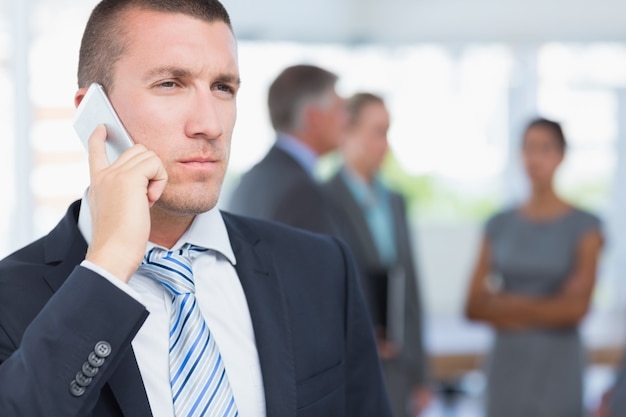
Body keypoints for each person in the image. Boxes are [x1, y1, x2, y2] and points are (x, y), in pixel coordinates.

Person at [0, 1, 393, 416]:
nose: (210, 124)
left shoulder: (321, 269)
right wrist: (109, 266)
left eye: (223, 87)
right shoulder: (10, 300)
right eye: (171, 83)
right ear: (92, 114)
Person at [464, 117, 603, 417]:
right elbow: (473, 306)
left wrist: (503, 302)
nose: (535, 159)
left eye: (546, 149)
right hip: (507, 367)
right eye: (528, 148)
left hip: (559, 367)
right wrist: (552, 306)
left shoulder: (586, 227)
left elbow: (576, 309)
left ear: (562, 155)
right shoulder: (498, 224)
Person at [323, 93, 432, 416]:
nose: (384, 144)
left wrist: (421, 374)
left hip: (398, 362)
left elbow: (410, 286)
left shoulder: (395, 200)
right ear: (347, 131)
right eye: (377, 131)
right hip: (350, 360)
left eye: (387, 132)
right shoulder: (322, 199)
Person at [227, 64, 347, 235]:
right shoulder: (302, 192)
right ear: (314, 118)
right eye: (340, 109)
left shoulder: (251, 179)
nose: (347, 120)